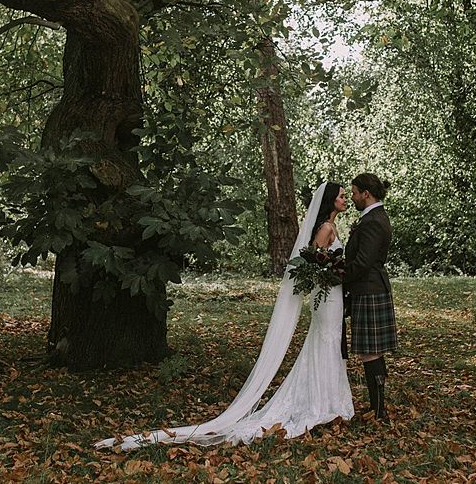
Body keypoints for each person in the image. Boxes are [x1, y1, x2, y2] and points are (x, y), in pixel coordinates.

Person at [95, 181, 353, 450]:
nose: (345, 200)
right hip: (327, 298)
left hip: (332, 295)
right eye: (342, 196)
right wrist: (335, 270)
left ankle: (328, 400)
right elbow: (314, 262)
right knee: (326, 341)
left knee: (329, 342)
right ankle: (323, 403)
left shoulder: (331, 226)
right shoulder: (324, 228)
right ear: (331, 201)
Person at [344, 173, 396, 420]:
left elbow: (363, 262)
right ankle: (378, 408)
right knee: (372, 351)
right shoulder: (372, 217)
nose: (352, 197)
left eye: (354, 192)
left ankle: (379, 410)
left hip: (369, 288)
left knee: (371, 352)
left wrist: (337, 278)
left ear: (366, 194)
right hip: (369, 288)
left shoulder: (373, 220)